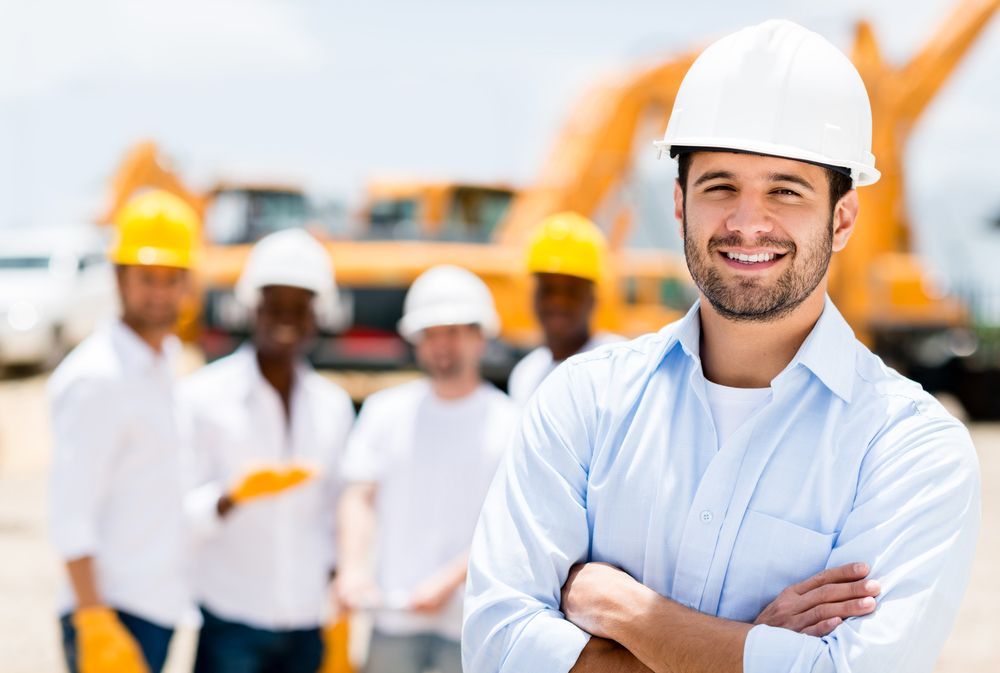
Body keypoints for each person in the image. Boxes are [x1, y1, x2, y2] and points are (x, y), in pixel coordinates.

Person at [463, 20, 980, 673]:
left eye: (785, 190)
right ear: (679, 203)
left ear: (842, 217)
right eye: (720, 186)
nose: (748, 221)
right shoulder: (582, 402)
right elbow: (496, 646)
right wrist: (751, 645)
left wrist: (621, 609)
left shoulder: (910, 447)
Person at [180, 229, 355, 673]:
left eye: (299, 308)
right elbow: (174, 514)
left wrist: (343, 588)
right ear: (252, 308)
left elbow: (339, 511)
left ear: (318, 316)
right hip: (230, 621)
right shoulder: (204, 396)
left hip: (307, 621)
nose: (286, 319)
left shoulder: (332, 406)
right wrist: (229, 498)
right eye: (275, 306)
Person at [335, 265, 518, 673]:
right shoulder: (386, 413)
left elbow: (510, 525)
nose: (441, 345)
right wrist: (353, 569)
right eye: (430, 334)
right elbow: (358, 497)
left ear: (479, 336)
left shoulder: (511, 423)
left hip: (471, 625)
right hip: (393, 618)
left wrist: (448, 580)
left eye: (452, 332)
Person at [49, 189, 199, 673]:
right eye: (146, 278)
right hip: (111, 609)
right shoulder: (98, 377)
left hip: (156, 604)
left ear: (186, 285)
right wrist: (94, 616)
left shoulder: (162, 363)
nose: (159, 292)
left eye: (170, 279)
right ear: (119, 278)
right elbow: (71, 511)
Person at [507, 211, 622, 406]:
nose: (558, 302)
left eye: (571, 290)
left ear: (594, 296)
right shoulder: (526, 374)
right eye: (548, 288)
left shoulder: (617, 366)